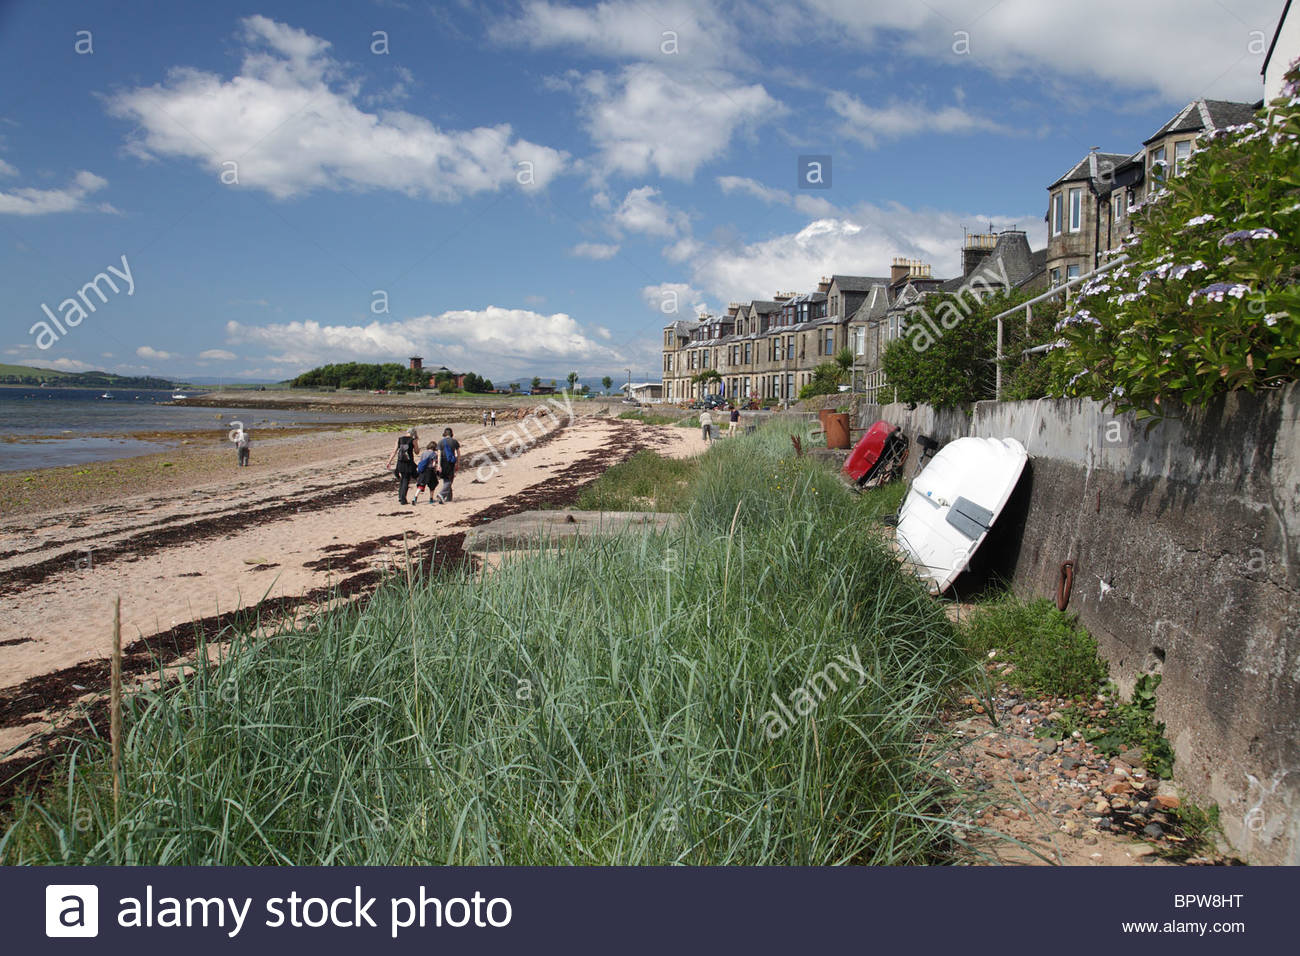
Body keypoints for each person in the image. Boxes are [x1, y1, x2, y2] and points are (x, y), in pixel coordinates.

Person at [385, 428, 420, 504]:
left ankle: (400, 497)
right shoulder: (413, 440)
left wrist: (389, 462)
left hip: (400, 462)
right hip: (408, 462)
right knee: (406, 480)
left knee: (403, 479)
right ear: (414, 433)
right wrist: (416, 443)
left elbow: (394, 451)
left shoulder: (399, 439)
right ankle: (403, 499)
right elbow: (417, 452)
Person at [434, 427, 461, 504]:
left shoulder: (440, 442)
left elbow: (438, 455)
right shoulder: (454, 441)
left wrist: (438, 465)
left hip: (443, 461)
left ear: (444, 433)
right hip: (451, 462)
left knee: (446, 479)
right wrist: (458, 463)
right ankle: (442, 494)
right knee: (450, 479)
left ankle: (448, 498)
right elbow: (458, 454)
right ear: (451, 433)